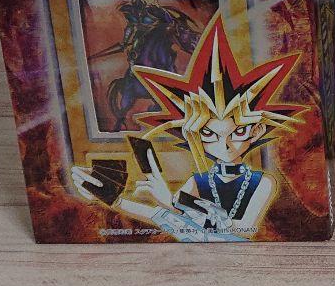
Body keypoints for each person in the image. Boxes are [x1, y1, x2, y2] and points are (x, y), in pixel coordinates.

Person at [71, 15, 304, 241]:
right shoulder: (197, 182)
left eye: (238, 132)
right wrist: (112, 198)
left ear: (257, 131)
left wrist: (179, 204)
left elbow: (244, 229)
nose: (224, 144)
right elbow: (166, 217)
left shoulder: (262, 182)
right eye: (209, 134)